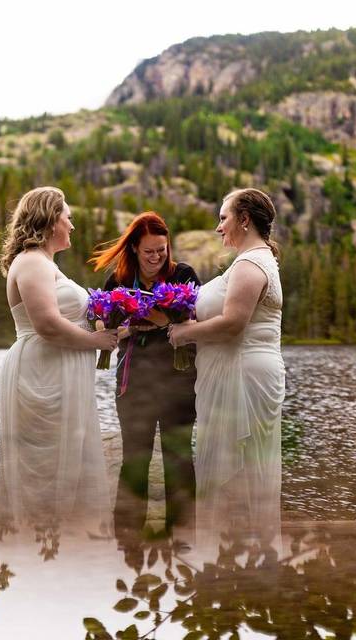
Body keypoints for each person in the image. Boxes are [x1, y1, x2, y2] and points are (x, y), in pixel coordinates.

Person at [168, 188, 286, 550]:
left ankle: (234, 555)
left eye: (223, 218)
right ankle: (240, 552)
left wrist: (184, 334)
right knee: (240, 466)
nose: (219, 227)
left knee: (237, 467)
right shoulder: (252, 260)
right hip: (241, 371)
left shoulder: (251, 264)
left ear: (244, 220)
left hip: (243, 375)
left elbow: (234, 323)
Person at [0, 186, 117, 535]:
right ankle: (43, 547)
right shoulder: (32, 261)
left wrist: (118, 331)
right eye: (68, 218)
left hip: (58, 371)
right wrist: (95, 340)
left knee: (65, 457)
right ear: (50, 221)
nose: (72, 226)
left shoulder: (44, 263)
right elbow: (47, 324)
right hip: (42, 373)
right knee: (44, 461)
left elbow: (68, 321)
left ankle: (68, 545)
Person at [89, 212, 200, 540]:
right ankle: (128, 538)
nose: (156, 258)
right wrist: (130, 327)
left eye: (162, 251)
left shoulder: (183, 275)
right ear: (135, 248)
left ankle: (180, 534)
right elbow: (100, 324)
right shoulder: (120, 278)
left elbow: (198, 321)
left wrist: (158, 318)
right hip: (133, 379)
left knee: (177, 456)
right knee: (135, 456)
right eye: (149, 251)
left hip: (179, 377)